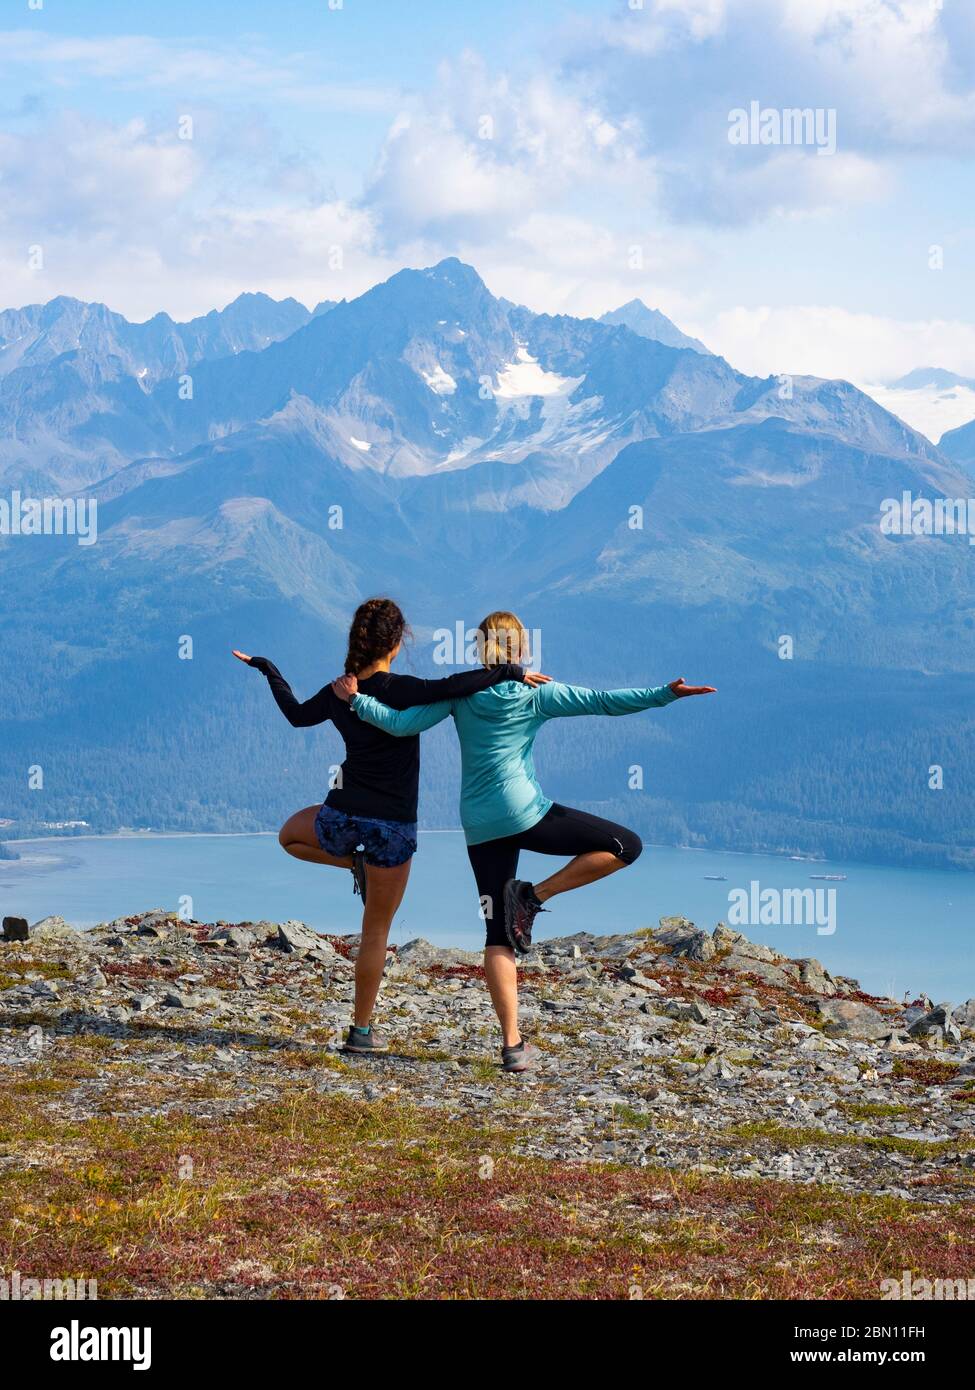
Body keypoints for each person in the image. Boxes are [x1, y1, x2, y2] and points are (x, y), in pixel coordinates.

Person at [336, 610, 715, 1072]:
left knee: (497, 934)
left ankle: (514, 1047)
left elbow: (401, 725)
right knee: (625, 845)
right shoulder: (535, 692)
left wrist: (358, 701)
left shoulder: (463, 694)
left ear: (482, 649)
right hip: (526, 814)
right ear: (519, 650)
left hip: (479, 825)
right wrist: (665, 695)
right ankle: (534, 896)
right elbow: (603, 701)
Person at [233, 597, 549, 1055]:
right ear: (397, 643)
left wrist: (268, 669)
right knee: (375, 929)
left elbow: (297, 715)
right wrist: (511, 672)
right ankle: (361, 1030)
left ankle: (352, 867)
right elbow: (456, 684)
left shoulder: (342, 689)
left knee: (290, 835)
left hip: (342, 816)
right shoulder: (402, 689)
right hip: (393, 829)